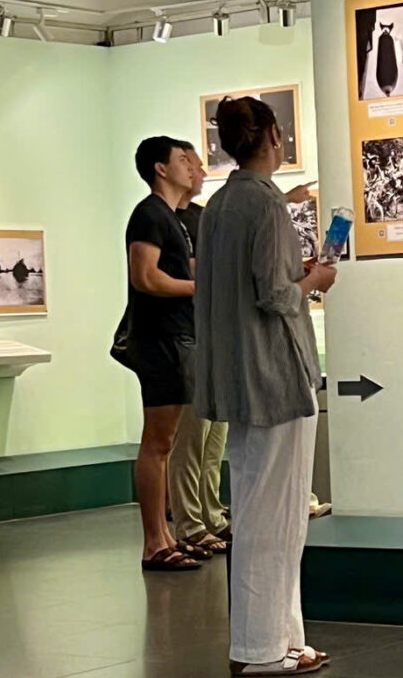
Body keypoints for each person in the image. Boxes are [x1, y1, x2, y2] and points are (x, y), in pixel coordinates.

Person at [195, 96, 336, 676]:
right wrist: (316, 279)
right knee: (272, 519)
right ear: (274, 136)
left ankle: (282, 639)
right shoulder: (267, 207)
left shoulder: (217, 207)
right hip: (276, 377)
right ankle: (259, 651)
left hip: (238, 377)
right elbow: (277, 295)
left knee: (264, 512)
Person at [125, 135, 202, 572]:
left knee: (166, 442)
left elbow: (181, 269)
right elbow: (146, 279)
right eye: (181, 159)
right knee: (157, 442)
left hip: (176, 336)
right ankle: (154, 541)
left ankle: (166, 535)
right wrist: (199, 289)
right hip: (159, 339)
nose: (190, 166)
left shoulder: (171, 218)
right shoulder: (149, 214)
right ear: (160, 168)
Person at [166, 141, 231, 558]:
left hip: (211, 334)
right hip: (185, 335)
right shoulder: (164, 221)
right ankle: (189, 522)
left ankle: (213, 514)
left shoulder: (201, 216)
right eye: (188, 162)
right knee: (190, 437)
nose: (199, 171)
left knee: (214, 436)